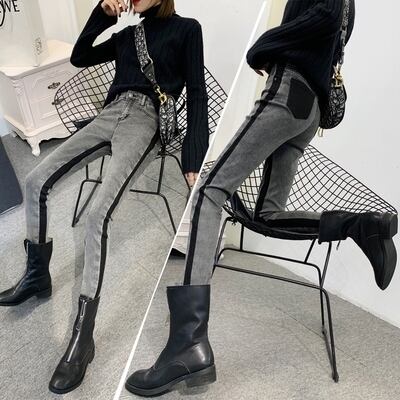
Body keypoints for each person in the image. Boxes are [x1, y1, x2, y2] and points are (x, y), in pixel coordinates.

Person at [126, 0, 395, 397]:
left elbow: (322, 16)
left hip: (288, 93)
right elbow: (332, 31)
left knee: (209, 190)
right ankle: (363, 226)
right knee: (269, 214)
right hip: (310, 109)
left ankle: (188, 343)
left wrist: (261, 47)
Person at [0, 0, 208, 394]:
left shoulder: (187, 29)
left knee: (98, 215)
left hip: (146, 119)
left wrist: (194, 153)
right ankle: (37, 275)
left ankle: (83, 337)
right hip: (110, 112)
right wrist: (101, 13)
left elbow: (197, 93)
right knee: (35, 181)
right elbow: (80, 56)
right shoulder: (128, 34)